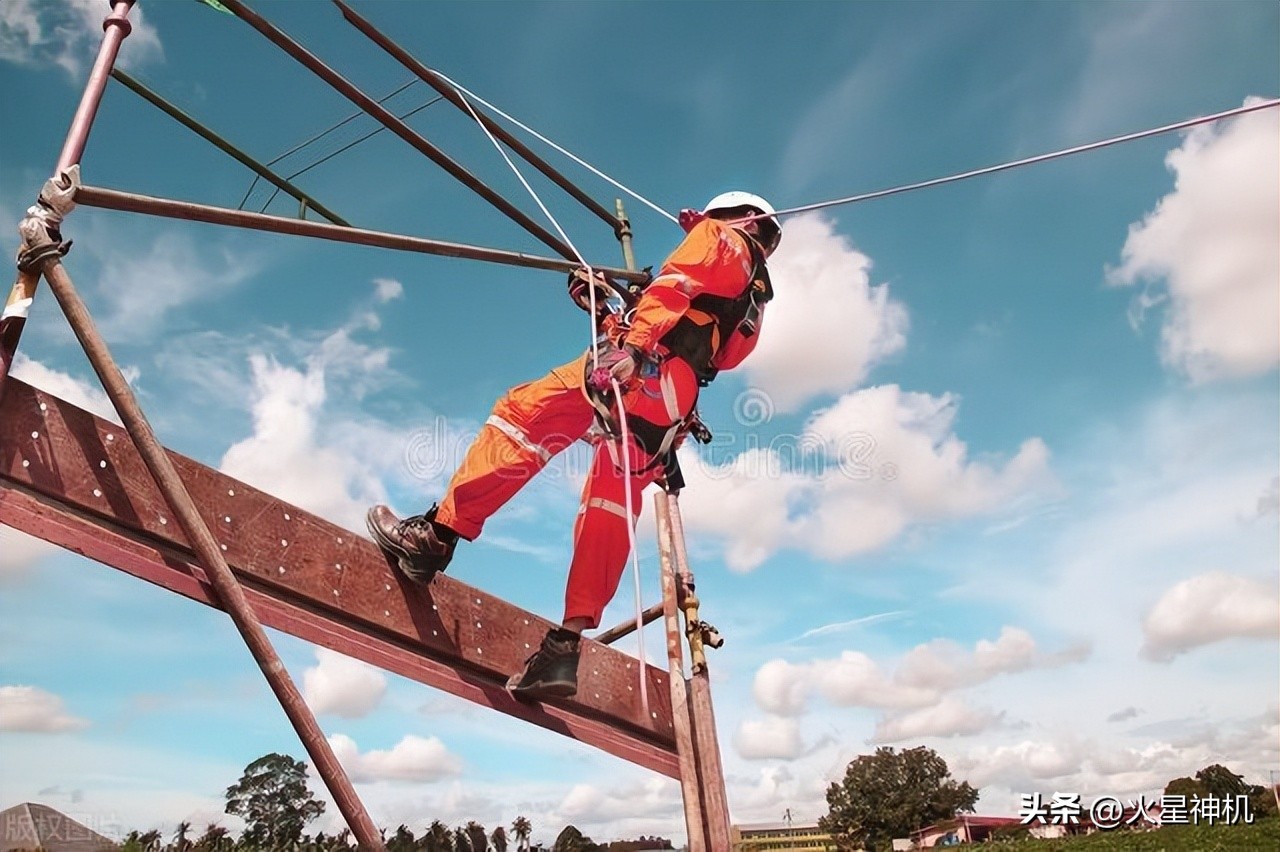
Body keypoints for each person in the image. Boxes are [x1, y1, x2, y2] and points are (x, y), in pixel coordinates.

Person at [366, 191, 782, 700]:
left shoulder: (720, 238)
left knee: (523, 420)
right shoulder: (751, 304)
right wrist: (606, 309)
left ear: (737, 218)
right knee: (608, 509)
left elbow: (673, 289)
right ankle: (564, 647)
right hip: (668, 407)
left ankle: (434, 537)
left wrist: (628, 347)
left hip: (637, 374)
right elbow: (686, 337)